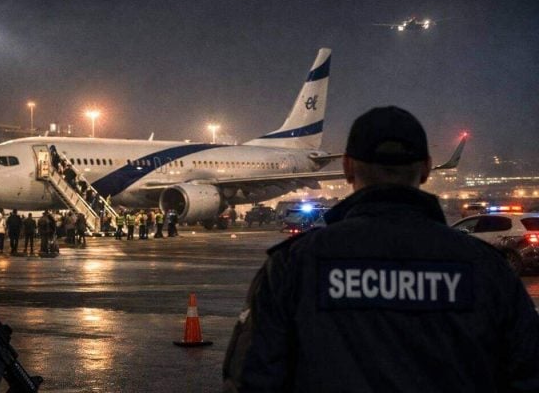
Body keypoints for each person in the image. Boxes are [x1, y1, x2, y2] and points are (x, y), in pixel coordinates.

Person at [222, 106, 539, 391]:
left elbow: (252, 378)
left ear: (347, 168)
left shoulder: (294, 265)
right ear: (427, 169)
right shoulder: (486, 269)